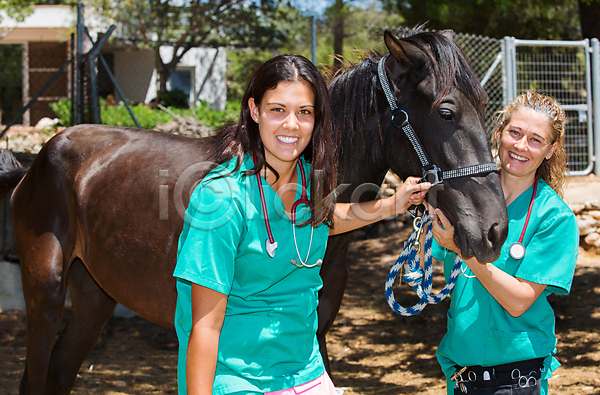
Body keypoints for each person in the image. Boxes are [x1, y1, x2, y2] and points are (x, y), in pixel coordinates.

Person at [173, 54, 431, 395]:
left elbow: (321, 220)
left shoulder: (309, 178)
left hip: (305, 370)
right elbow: (204, 328)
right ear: (254, 111)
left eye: (304, 112)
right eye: (277, 109)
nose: (291, 125)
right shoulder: (221, 198)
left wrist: (391, 204)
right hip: (236, 378)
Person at [427, 90, 579, 395]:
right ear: (499, 133)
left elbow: (519, 301)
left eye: (536, 139)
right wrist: (426, 210)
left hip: (515, 381)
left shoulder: (555, 218)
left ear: (550, 150)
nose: (521, 146)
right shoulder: (462, 197)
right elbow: (422, 266)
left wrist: (463, 250)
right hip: (460, 377)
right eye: (515, 132)